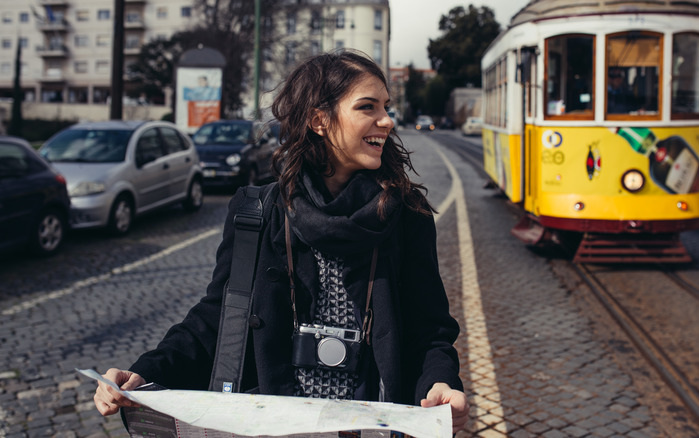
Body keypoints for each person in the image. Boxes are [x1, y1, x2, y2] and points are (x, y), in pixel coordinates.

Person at [92, 50, 469, 434]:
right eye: (367, 107)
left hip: (374, 425)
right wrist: (146, 371)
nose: (387, 120)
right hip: (275, 424)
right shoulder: (257, 212)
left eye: (386, 106)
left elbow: (430, 327)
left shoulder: (407, 214)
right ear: (320, 120)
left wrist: (440, 381)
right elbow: (218, 315)